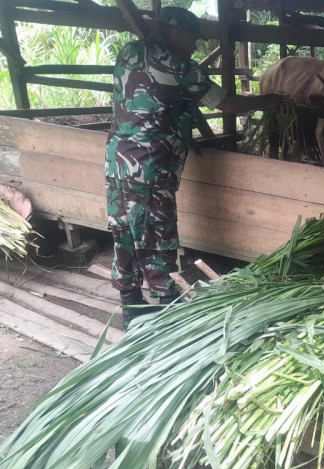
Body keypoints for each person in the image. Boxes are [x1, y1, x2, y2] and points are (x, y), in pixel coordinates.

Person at [105, 6, 281, 329]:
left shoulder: (128, 52)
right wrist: (264, 102)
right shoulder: (179, 67)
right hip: (149, 169)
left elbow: (156, 103)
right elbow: (225, 102)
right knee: (158, 239)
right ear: (176, 32)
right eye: (192, 38)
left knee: (124, 234)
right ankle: (160, 319)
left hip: (116, 163)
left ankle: (131, 308)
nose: (194, 46)